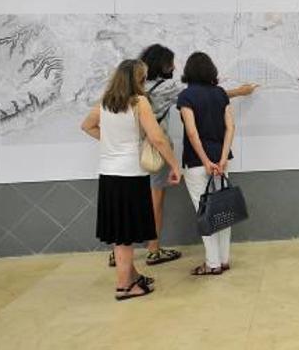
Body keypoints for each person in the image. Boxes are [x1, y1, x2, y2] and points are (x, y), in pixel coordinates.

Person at [106, 44, 258, 268]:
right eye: (170, 63)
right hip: (154, 151)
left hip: (127, 150)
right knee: (155, 200)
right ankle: (154, 249)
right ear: (162, 64)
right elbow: (205, 97)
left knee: (128, 199)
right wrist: (240, 91)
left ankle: (119, 250)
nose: (174, 67)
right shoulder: (169, 88)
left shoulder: (128, 88)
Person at [81, 59, 182, 300]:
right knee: (126, 235)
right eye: (144, 77)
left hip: (108, 175)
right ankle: (124, 287)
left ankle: (133, 276)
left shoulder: (104, 103)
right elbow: (157, 138)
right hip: (130, 175)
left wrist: (112, 143)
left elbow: (86, 126)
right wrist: (174, 165)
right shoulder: (139, 102)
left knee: (119, 232)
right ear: (138, 79)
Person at [177, 52, 237, 276]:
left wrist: (205, 161)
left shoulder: (186, 97)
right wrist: (221, 159)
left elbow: (192, 133)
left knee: (205, 214)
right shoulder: (221, 94)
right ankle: (224, 259)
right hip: (221, 162)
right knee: (222, 211)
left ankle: (212, 264)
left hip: (196, 163)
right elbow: (230, 127)